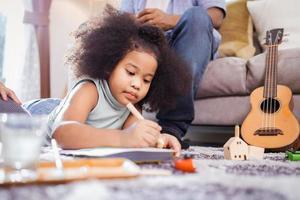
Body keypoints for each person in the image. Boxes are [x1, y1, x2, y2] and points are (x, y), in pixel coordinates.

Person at [47, 7, 191, 155]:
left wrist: (160, 139)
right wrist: (123, 138)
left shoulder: (132, 106)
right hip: (39, 115)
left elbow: (135, 139)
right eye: (130, 72)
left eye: (146, 80)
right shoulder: (89, 90)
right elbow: (61, 134)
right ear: (110, 65)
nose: (137, 84)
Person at [120, 0, 226, 148]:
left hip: (186, 39)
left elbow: (216, 16)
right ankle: (110, 122)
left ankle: (171, 129)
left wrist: (171, 20)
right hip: (146, 44)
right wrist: (138, 22)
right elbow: (123, 16)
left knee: (197, 15)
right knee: (108, 26)